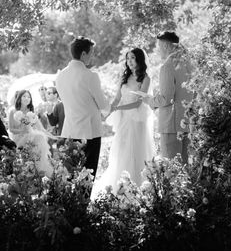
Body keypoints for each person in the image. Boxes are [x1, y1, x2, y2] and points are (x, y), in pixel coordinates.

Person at [92, 48, 155, 197]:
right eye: (128, 59)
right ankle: (120, 188)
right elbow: (116, 99)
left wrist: (118, 108)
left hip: (137, 121)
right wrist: (107, 111)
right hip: (124, 121)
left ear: (139, 59)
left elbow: (138, 104)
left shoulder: (145, 78)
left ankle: (138, 188)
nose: (130, 61)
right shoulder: (124, 77)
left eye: (133, 58)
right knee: (121, 152)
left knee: (135, 152)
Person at [56, 36, 110, 184]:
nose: (92, 56)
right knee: (88, 173)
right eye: (91, 52)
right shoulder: (90, 76)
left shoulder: (60, 77)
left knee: (69, 174)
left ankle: (69, 205)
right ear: (83, 54)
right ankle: (82, 206)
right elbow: (103, 104)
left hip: (69, 131)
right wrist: (110, 110)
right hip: (89, 131)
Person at [143, 31, 193, 164]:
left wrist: (149, 100)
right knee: (184, 167)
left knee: (171, 168)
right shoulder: (188, 64)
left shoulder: (167, 66)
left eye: (158, 46)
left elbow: (166, 98)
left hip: (171, 125)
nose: (158, 50)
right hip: (187, 123)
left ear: (165, 46)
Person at [8, 89, 55, 176]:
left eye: (29, 97)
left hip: (31, 136)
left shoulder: (31, 112)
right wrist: (22, 130)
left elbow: (41, 128)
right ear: (19, 98)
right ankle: (31, 172)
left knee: (39, 138)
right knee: (36, 139)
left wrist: (52, 136)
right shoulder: (13, 111)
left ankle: (40, 170)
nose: (27, 98)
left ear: (30, 100)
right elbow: (11, 129)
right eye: (24, 96)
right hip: (19, 138)